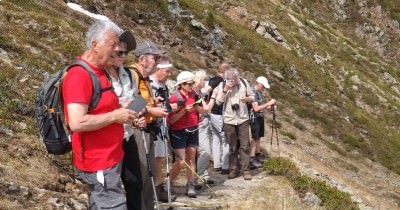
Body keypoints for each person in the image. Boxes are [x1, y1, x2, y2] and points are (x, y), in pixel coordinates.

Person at [62, 20, 137, 210]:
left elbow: (99, 107)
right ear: (95, 45)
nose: (117, 50)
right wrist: (115, 116)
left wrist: (122, 108)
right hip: (98, 162)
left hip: (111, 157)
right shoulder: (79, 75)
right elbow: (77, 122)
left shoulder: (101, 73)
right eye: (113, 45)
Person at [127, 41, 168, 210]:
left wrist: (152, 102)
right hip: (137, 129)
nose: (158, 61)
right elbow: (129, 103)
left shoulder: (144, 77)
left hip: (146, 129)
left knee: (148, 173)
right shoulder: (132, 74)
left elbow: (140, 99)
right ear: (142, 59)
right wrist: (152, 110)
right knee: (142, 174)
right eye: (155, 57)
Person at [168, 71, 206, 198]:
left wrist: (200, 108)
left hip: (193, 129)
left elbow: (202, 109)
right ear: (182, 84)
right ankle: (168, 184)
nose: (192, 86)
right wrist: (184, 110)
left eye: (193, 83)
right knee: (180, 161)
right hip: (178, 131)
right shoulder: (174, 98)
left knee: (191, 158)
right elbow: (171, 120)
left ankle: (190, 184)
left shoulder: (194, 94)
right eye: (190, 84)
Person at [215, 67, 255, 180]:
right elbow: (218, 102)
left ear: (237, 77)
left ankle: (245, 170)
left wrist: (248, 99)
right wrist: (225, 89)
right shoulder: (222, 85)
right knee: (232, 146)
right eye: (229, 79)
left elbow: (253, 96)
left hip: (243, 118)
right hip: (229, 119)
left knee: (245, 145)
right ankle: (233, 169)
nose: (232, 81)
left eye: (233, 79)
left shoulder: (244, 82)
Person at [149, 55, 174, 202]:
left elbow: (167, 105)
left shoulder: (163, 85)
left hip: (161, 124)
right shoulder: (148, 83)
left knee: (161, 157)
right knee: (156, 157)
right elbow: (138, 103)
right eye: (167, 71)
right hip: (151, 125)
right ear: (158, 69)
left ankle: (159, 187)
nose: (169, 75)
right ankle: (154, 188)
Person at [203, 61, 230, 174]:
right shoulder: (218, 81)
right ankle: (225, 166)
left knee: (216, 138)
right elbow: (207, 91)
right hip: (219, 112)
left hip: (212, 112)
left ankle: (217, 164)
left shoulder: (212, 79)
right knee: (225, 139)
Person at [193, 70, 216, 185]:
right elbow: (205, 109)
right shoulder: (193, 93)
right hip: (194, 125)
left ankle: (204, 174)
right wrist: (214, 97)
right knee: (203, 151)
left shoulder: (200, 93)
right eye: (203, 79)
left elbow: (206, 108)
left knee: (203, 150)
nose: (205, 82)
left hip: (202, 125)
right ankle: (198, 176)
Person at [249, 76, 276, 169]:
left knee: (258, 137)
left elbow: (261, 106)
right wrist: (268, 103)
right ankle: (251, 159)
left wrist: (270, 107)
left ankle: (258, 155)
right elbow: (256, 109)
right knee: (254, 137)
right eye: (263, 86)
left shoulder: (260, 93)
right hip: (254, 117)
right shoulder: (252, 92)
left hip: (260, 117)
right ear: (258, 83)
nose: (264, 88)